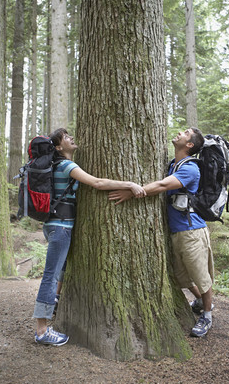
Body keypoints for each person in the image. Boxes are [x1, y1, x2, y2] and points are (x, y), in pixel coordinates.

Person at [33, 128, 145, 346]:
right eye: (66, 138)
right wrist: (129, 184)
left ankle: (53, 307)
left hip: (53, 226)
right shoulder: (65, 165)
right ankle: (41, 330)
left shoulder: (54, 165)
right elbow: (98, 183)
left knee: (61, 270)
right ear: (58, 147)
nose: (71, 138)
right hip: (61, 227)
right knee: (51, 275)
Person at [109, 127, 214, 337]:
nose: (180, 133)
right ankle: (201, 301)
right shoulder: (173, 164)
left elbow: (163, 185)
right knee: (180, 274)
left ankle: (208, 315)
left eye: (185, 133)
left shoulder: (190, 168)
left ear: (190, 145)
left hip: (191, 230)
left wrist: (132, 192)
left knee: (200, 275)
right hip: (177, 230)